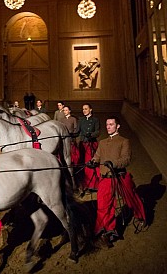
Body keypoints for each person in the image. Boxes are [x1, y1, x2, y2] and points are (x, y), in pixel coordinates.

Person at [87, 116, 146, 249]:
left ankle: (141, 216)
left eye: (111, 124)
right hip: (106, 179)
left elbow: (126, 159)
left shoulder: (124, 141)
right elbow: (97, 156)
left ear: (117, 126)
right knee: (103, 205)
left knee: (132, 199)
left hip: (119, 177)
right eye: (107, 124)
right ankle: (106, 232)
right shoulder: (102, 142)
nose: (108, 126)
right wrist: (92, 162)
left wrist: (114, 164)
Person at [75, 103, 100, 191]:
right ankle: (84, 184)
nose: (84, 110)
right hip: (83, 144)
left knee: (91, 163)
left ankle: (94, 184)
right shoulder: (81, 120)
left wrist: (91, 135)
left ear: (90, 109)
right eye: (83, 109)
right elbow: (77, 132)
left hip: (92, 144)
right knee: (82, 163)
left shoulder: (95, 120)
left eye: (86, 109)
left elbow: (97, 132)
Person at [62, 105, 80, 177]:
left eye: (66, 110)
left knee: (72, 158)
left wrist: (73, 135)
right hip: (63, 140)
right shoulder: (62, 120)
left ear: (69, 111)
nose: (65, 112)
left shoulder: (73, 119)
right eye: (64, 110)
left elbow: (76, 129)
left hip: (71, 140)